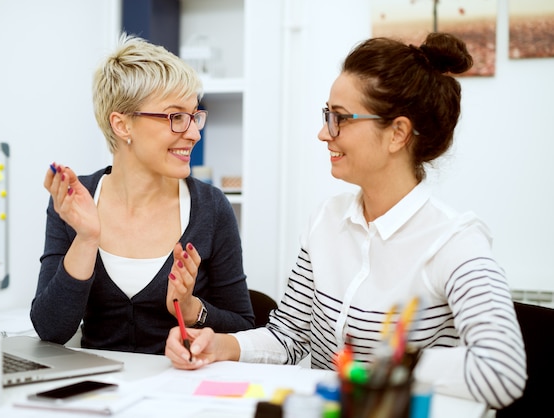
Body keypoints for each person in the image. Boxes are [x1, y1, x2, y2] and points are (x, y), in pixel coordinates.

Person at [165, 32, 527, 408]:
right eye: (327, 116)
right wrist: (218, 344)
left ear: (397, 133)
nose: (324, 133)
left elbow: (502, 371)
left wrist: (383, 368)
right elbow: (288, 337)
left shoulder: (454, 241)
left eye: (339, 118)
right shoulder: (326, 220)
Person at [31, 33, 255, 354]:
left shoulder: (210, 207)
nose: (193, 133)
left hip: (180, 391)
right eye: (175, 117)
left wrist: (192, 309)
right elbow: (50, 330)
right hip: (98, 393)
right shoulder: (75, 203)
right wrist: (86, 239)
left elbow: (245, 328)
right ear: (123, 126)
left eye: (194, 116)